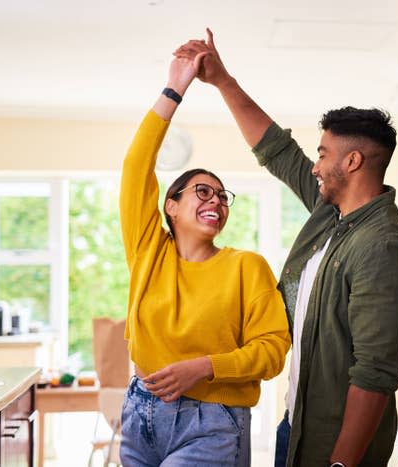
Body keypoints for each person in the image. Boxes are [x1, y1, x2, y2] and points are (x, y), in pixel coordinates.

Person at [175, 30, 398, 467]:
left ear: (351, 163)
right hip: (298, 424)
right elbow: (277, 150)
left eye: (324, 154)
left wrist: (341, 465)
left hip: (334, 446)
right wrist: (221, 80)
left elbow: (375, 375)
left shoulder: (380, 246)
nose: (315, 165)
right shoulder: (333, 213)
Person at [118, 51, 291, 467]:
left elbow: (272, 350)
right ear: (171, 207)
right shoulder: (148, 253)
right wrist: (174, 90)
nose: (216, 199)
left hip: (212, 423)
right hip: (140, 414)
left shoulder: (246, 267)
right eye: (202, 191)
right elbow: (135, 167)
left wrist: (204, 368)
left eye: (221, 195)